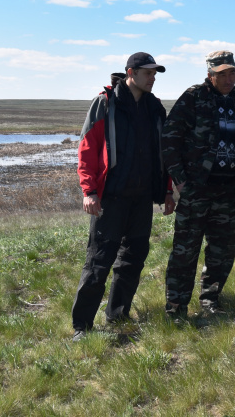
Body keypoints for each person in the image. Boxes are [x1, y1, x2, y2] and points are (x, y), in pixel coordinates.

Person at [72, 52, 175, 341]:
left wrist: (167, 190)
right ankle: (82, 326)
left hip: (142, 199)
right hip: (111, 199)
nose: (153, 78)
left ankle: (117, 314)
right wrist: (89, 191)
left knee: (133, 259)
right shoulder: (106, 103)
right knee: (99, 261)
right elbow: (87, 149)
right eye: (148, 73)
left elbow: (163, 154)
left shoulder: (155, 108)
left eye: (155, 74)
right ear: (131, 72)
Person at [162, 51, 235, 321]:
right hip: (196, 189)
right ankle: (176, 307)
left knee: (222, 251)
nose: (228, 78)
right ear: (210, 74)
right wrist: (179, 180)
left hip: (228, 190)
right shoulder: (194, 97)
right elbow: (169, 137)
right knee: (185, 250)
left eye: (232, 73)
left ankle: (210, 299)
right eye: (222, 74)